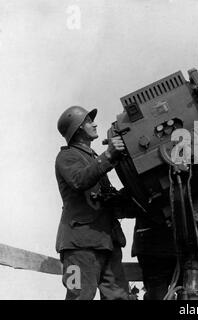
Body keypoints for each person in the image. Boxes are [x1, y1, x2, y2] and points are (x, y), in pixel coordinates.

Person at [55, 105, 138, 300]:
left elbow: (107, 199)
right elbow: (79, 180)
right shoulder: (66, 156)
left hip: (106, 242)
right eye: (89, 121)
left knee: (118, 297)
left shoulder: (92, 158)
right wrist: (109, 155)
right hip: (78, 247)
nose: (94, 124)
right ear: (78, 128)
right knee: (79, 296)